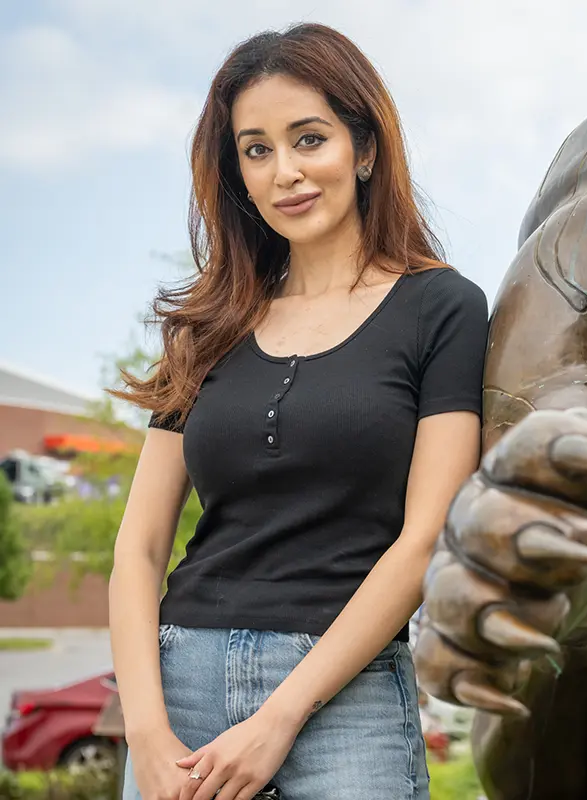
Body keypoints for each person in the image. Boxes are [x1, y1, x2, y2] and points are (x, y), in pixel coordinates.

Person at [108, 22, 488, 800]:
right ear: (237, 172)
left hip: (343, 700)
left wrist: (281, 715)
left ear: (365, 147)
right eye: (257, 149)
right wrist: (146, 733)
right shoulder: (205, 325)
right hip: (179, 688)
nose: (286, 171)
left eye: (308, 138)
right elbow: (139, 551)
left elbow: (424, 541)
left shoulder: (442, 308)